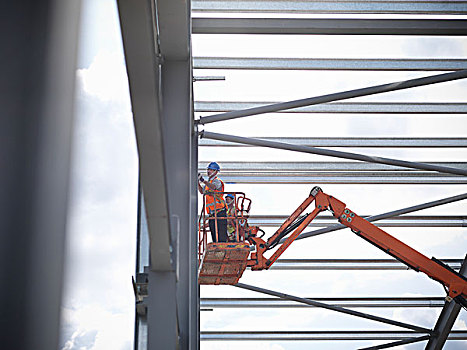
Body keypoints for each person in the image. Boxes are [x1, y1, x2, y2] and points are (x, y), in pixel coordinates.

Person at [198, 162, 228, 242]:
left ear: (216, 171)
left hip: (220, 212)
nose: (208, 171)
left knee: (221, 236)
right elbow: (202, 191)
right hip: (212, 213)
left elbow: (214, 187)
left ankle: (222, 248)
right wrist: (197, 182)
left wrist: (203, 181)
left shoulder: (217, 181)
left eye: (211, 170)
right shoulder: (208, 183)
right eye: (208, 169)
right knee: (214, 235)